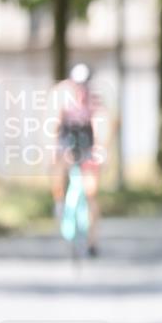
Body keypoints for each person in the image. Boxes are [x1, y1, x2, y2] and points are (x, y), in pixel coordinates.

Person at [51, 63, 103, 256]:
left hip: (86, 141)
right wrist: (54, 149)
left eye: (85, 83)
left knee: (91, 192)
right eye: (78, 83)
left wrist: (100, 149)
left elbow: (99, 124)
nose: (81, 88)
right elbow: (55, 123)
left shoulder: (94, 98)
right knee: (58, 169)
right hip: (67, 138)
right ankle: (58, 200)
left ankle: (92, 241)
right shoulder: (61, 94)